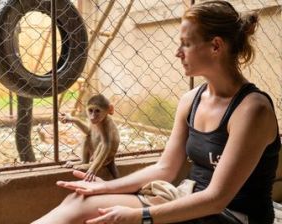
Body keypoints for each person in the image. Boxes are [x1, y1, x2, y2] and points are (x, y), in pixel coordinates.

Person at [32, 1, 281, 223]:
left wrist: (142, 216)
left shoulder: (252, 109)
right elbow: (165, 169)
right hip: (190, 199)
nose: (178, 52)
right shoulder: (190, 100)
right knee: (79, 202)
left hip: (234, 215)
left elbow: (216, 199)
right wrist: (104, 188)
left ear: (216, 46)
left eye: (186, 44)